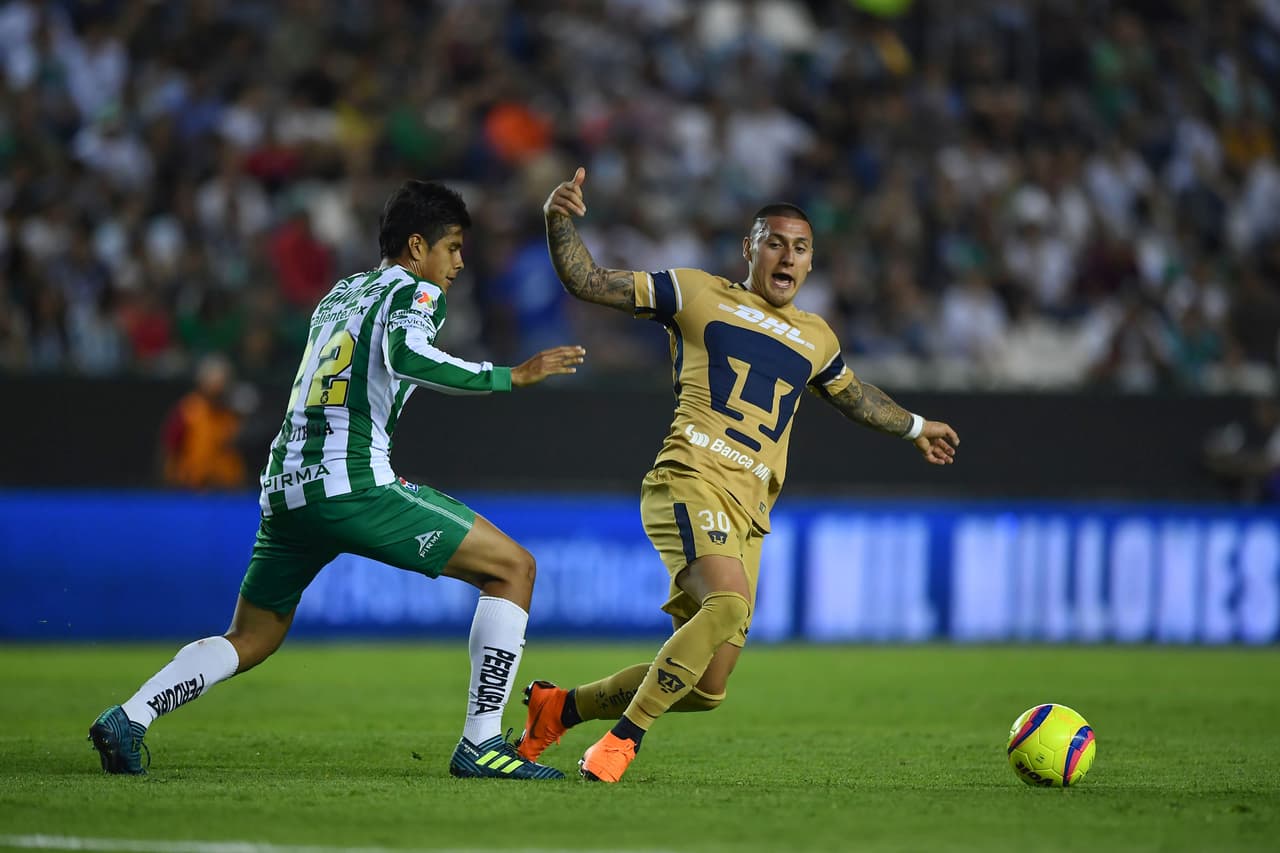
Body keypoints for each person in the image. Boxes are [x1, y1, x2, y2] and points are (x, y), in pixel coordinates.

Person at [89, 180, 586, 780]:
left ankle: (130, 715)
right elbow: (406, 355)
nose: (458, 264)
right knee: (513, 569)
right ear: (416, 246)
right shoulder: (414, 291)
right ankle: (481, 744)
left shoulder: (341, 294)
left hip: (285, 483)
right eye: (452, 248)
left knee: (253, 635)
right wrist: (509, 376)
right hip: (350, 481)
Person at [516, 168, 959, 783]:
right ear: (749, 248)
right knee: (726, 605)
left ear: (810, 264)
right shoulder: (697, 293)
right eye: (775, 241)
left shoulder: (816, 336)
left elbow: (854, 395)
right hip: (691, 477)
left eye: (801, 248)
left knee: (704, 688)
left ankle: (559, 708)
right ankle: (619, 743)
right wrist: (557, 219)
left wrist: (915, 427)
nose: (788, 255)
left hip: (750, 510)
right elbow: (589, 281)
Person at [159, 353, 249, 490]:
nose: (219, 386)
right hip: (190, 488)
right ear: (202, 381)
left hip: (227, 489)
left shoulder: (233, 413)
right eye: (214, 380)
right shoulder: (188, 409)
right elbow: (169, 449)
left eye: (223, 380)